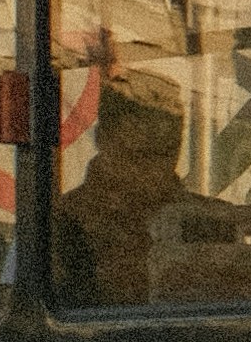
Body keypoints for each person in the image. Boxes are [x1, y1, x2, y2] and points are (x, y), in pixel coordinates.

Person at [56, 80, 188, 308]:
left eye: (166, 152)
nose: (155, 168)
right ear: (102, 139)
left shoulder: (209, 219)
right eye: (138, 155)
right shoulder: (59, 224)